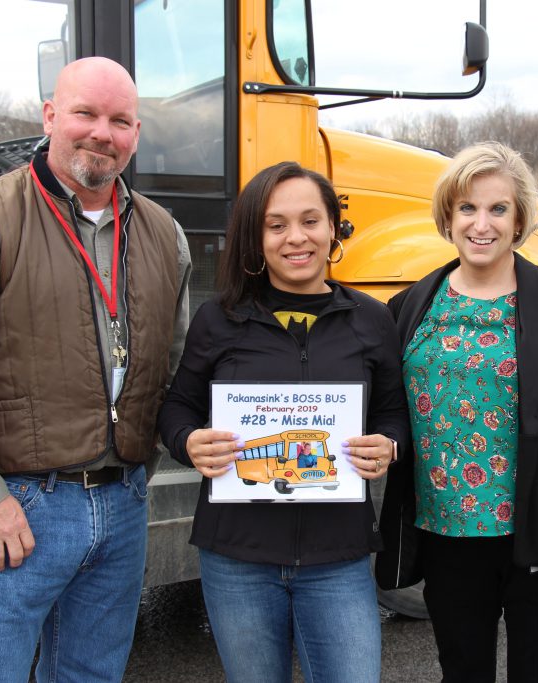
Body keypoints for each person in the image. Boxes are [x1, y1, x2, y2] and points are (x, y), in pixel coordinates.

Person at [0, 57, 191, 681]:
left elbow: (170, 367)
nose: (102, 133)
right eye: (85, 113)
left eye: (120, 121)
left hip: (122, 503)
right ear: (51, 117)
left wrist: (148, 466)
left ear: (136, 134)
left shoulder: (166, 235)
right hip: (18, 506)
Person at [157, 161, 408, 682]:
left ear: (334, 228)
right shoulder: (219, 318)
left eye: (311, 221)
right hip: (237, 557)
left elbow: (392, 412)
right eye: (277, 225)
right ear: (257, 236)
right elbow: (176, 406)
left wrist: (389, 445)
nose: (296, 238)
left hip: (338, 556)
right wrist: (188, 442)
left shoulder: (371, 318)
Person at [375, 141, 538, 682]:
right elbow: (390, 412)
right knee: (463, 671)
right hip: (447, 537)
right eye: (467, 208)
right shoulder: (410, 306)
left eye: (498, 209)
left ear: (520, 217)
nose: (482, 224)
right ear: (447, 216)